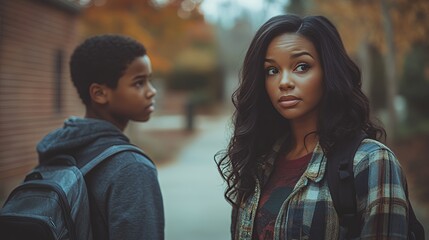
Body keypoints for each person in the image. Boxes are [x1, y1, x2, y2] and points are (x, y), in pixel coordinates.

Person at [216, 14, 412, 239]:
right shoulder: (258, 161)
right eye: (272, 70)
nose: (284, 82)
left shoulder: (371, 162)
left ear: (329, 72)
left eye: (301, 66)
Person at [36, 34, 164, 239]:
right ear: (99, 93)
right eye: (139, 83)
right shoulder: (132, 168)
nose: (152, 91)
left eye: (150, 80)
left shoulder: (57, 150)